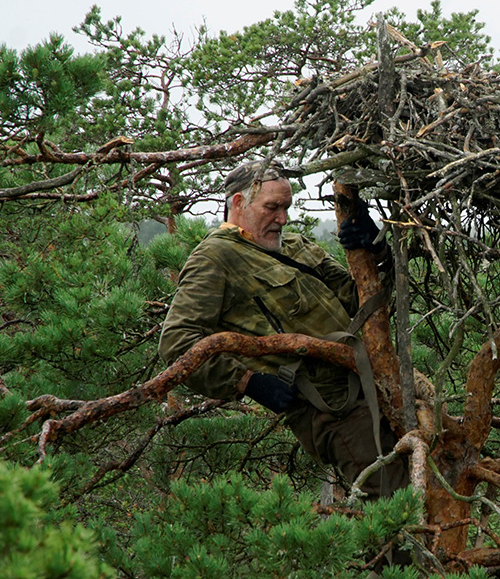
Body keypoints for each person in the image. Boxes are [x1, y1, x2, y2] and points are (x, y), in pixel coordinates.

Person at [159, 159, 408, 499]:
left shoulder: (295, 246)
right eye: (272, 207)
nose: (282, 218)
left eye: (286, 207)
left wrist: (373, 248)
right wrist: (248, 382)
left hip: (377, 382)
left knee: (435, 476)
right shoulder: (215, 258)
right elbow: (177, 344)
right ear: (238, 203)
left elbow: (360, 303)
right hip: (333, 411)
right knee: (393, 503)